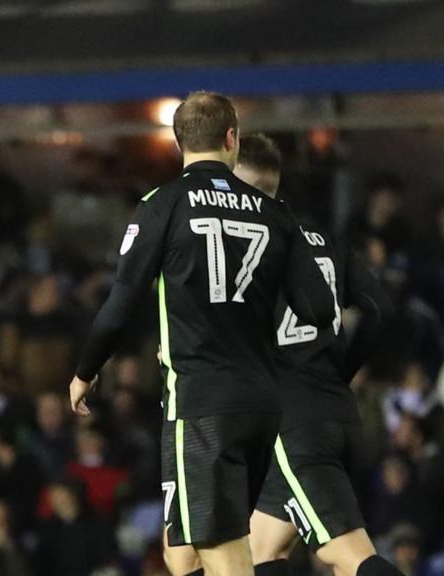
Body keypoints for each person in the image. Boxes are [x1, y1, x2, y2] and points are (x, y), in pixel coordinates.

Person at [68, 93, 335, 576]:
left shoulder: (162, 204)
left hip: (200, 404)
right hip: (261, 403)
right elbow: (318, 308)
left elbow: (120, 304)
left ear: (177, 142)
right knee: (182, 551)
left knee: (222, 550)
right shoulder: (274, 213)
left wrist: (85, 371)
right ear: (232, 139)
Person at [239, 134, 400, 576]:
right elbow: (381, 308)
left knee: (349, 558)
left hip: (294, 425)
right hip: (336, 411)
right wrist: (339, 370)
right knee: (260, 550)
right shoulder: (320, 237)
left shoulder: (245, 244)